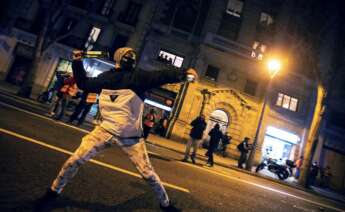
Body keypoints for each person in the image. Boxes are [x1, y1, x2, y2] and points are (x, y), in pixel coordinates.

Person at [36, 47, 198, 211]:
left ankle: (166, 205)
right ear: (119, 58)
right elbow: (84, 84)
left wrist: (184, 73)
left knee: (148, 174)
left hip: (130, 138)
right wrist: (77, 62)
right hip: (106, 131)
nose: (132, 57)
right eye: (129, 55)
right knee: (73, 161)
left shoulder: (137, 77)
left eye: (133, 55)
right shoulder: (114, 77)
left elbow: (162, 75)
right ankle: (52, 193)